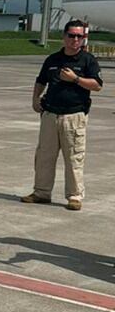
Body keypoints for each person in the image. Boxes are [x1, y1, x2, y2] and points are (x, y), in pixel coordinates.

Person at [21, 19, 102, 211]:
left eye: (79, 36)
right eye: (71, 35)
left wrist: (76, 79)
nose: (75, 39)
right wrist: (35, 99)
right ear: (64, 36)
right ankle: (41, 192)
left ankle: (74, 196)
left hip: (74, 116)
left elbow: (97, 85)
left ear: (83, 38)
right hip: (50, 114)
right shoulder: (52, 60)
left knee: (74, 157)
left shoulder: (88, 60)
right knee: (44, 156)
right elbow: (41, 81)